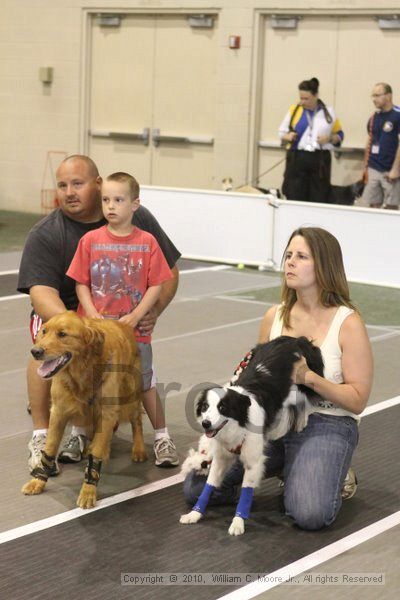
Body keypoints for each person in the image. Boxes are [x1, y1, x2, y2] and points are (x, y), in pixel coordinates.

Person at [184, 227, 373, 531]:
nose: (290, 263)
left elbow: (358, 399)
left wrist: (308, 377)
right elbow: (250, 385)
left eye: (301, 256)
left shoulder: (348, 323)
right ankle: (289, 463)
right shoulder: (275, 316)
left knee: (309, 513)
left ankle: (328, 468)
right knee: (196, 488)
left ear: (324, 265)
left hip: (327, 420)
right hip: (269, 423)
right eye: (288, 255)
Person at [18, 155, 181, 473]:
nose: (68, 192)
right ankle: (42, 435)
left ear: (98, 184)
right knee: (46, 348)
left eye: (77, 184)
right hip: (70, 314)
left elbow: (168, 273)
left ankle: (156, 435)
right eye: (62, 185)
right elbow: (41, 293)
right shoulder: (47, 233)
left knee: (139, 379)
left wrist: (153, 312)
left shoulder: (137, 219)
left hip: (124, 320)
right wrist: (80, 327)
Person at [67, 171, 176, 467]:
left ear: (135, 204)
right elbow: (81, 282)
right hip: (97, 332)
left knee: (143, 383)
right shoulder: (90, 240)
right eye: (106, 200)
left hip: (133, 333)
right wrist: (90, 313)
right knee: (87, 382)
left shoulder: (148, 242)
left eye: (118, 200)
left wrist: (138, 315)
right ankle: (78, 434)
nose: (110, 206)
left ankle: (163, 438)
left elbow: (157, 283)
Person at [279, 77, 344, 203]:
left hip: (319, 158)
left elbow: (340, 135)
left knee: (319, 195)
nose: (302, 102)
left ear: (316, 95)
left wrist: (330, 138)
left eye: (306, 98)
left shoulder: (328, 112)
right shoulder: (294, 110)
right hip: (297, 157)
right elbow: (281, 133)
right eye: (301, 98)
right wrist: (289, 136)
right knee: (294, 193)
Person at [361, 82, 400, 210]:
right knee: (372, 205)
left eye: (377, 95)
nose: (374, 99)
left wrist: (396, 169)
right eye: (373, 96)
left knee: (391, 206)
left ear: (388, 96)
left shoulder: (397, 115)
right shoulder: (374, 117)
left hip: (391, 170)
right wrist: (365, 167)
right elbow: (370, 140)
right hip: (374, 167)